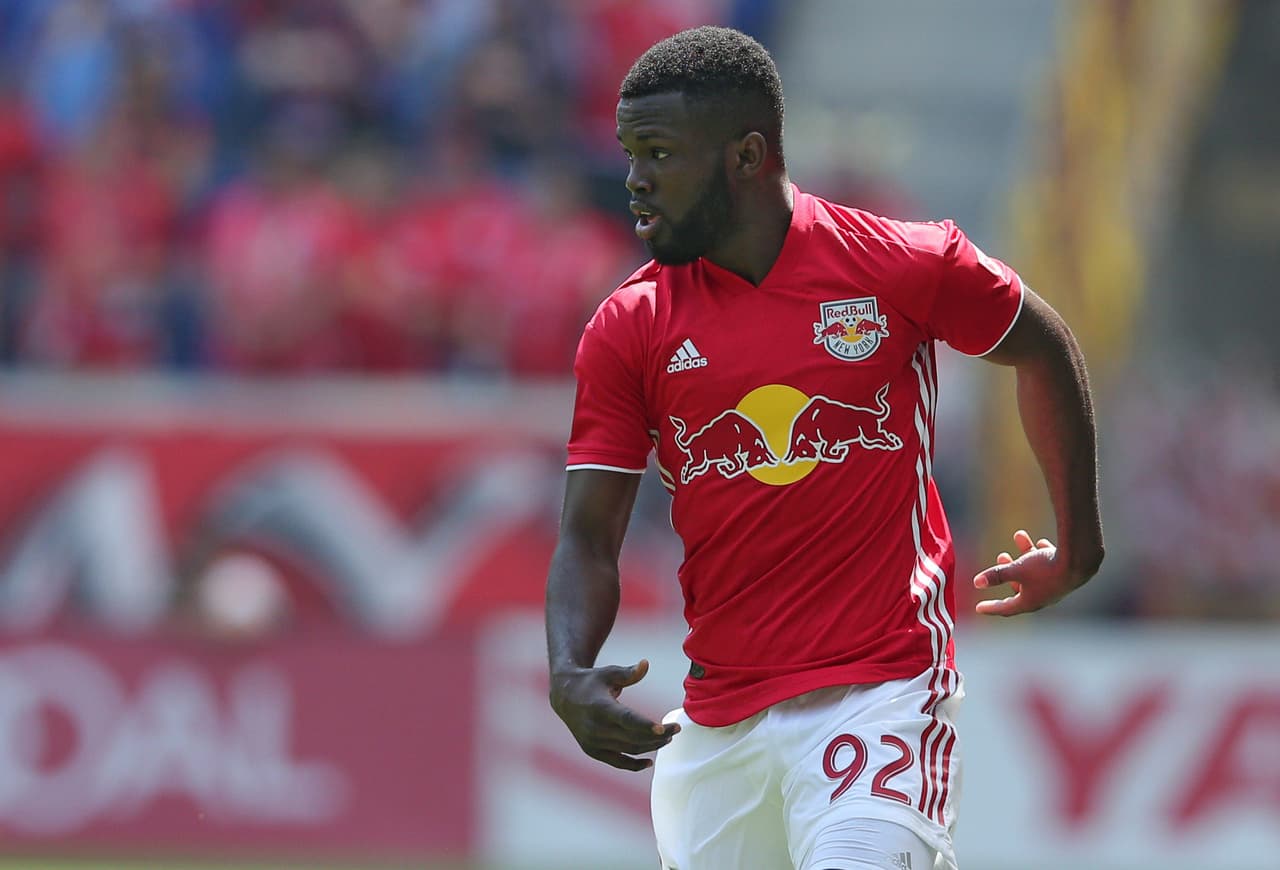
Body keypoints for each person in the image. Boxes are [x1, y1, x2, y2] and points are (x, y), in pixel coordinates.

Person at [545, 25, 1103, 870]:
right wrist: (567, 668)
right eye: (629, 153)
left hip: (880, 694)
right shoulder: (630, 327)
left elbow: (1040, 345)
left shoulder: (899, 265)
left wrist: (1079, 546)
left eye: (657, 152)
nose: (634, 180)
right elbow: (588, 535)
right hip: (719, 727)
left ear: (746, 155)